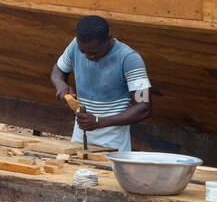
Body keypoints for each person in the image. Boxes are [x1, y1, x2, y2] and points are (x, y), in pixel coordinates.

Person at [50, 15, 152, 153]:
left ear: (109, 39)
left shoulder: (129, 59)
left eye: (94, 52)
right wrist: (60, 85)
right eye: (83, 51)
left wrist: (99, 122)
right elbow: (58, 71)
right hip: (80, 138)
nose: (87, 57)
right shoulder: (75, 45)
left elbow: (144, 107)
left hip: (113, 144)